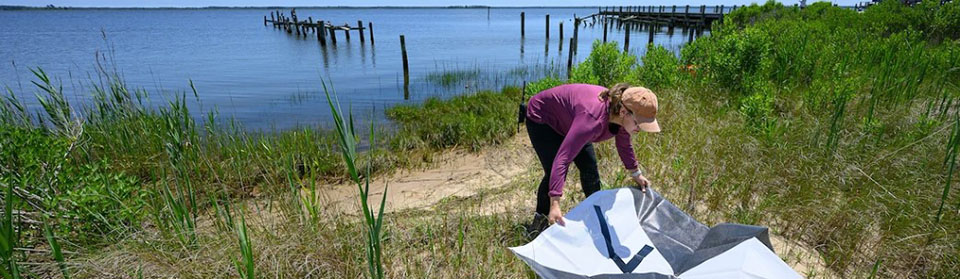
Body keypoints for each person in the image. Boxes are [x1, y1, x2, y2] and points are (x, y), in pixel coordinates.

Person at [522, 83, 660, 234]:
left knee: (590, 168)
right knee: (552, 172)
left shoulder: (620, 117)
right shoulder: (592, 120)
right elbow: (563, 159)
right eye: (638, 124)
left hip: (572, 121)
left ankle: (596, 215)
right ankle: (539, 224)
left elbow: (624, 146)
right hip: (543, 118)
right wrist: (555, 203)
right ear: (623, 112)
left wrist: (636, 174)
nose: (639, 129)